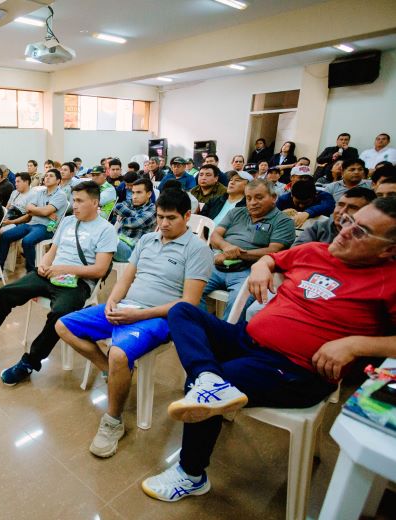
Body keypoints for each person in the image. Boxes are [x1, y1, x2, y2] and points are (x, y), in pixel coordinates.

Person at [142, 197, 396, 503]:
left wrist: (355, 344)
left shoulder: (389, 281)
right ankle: (207, 377)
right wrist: (262, 266)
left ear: (388, 250)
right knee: (183, 311)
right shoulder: (316, 251)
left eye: (361, 231)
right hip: (247, 340)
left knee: (206, 388)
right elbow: (274, 259)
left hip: (294, 369)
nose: (344, 230)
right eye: (350, 220)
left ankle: (191, 475)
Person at [56, 189, 212, 458]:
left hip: (159, 317)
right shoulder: (148, 240)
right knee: (63, 325)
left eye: (171, 218)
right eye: (160, 217)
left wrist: (139, 315)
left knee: (118, 353)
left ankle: (113, 421)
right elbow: (126, 279)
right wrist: (112, 301)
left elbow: (188, 303)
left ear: (187, 216)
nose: (164, 224)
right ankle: (112, 371)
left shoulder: (197, 250)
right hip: (126, 308)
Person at [0, 182, 118, 387]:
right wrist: (44, 265)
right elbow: (52, 251)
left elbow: (100, 270)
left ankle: (30, 362)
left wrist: (64, 269)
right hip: (51, 274)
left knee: (60, 314)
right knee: (5, 293)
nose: (74, 205)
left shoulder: (106, 230)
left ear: (95, 202)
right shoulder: (68, 222)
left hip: (78, 283)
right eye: (73, 200)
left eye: (80, 201)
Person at [200, 179, 295, 319]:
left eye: (259, 197)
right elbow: (215, 235)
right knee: (190, 288)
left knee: (237, 303)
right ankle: (200, 327)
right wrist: (227, 247)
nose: (252, 203)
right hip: (219, 266)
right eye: (248, 198)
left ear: (274, 198)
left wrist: (233, 254)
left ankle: (224, 332)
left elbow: (274, 252)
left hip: (250, 271)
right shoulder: (236, 213)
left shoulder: (283, 221)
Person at [0, 168, 68, 279]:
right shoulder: (40, 192)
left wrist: (38, 210)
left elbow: (42, 210)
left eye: (51, 176)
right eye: (46, 176)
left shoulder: (60, 195)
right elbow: (28, 208)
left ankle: (31, 273)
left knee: (27, 241)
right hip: (31, 223)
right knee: (5, 236)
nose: (47, 178)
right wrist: (45, 212)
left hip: (47, 227)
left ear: (58, 180)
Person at [295, 187, 375, 245]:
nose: (342, 211)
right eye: (340, 205)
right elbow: (296, 251)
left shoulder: (371, 238)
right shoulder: (319, 227)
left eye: (352, 208)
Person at [111, 178, 157, 261]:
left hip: (132, 250)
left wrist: (123, 219)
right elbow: (117, 207)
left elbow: (135, 223)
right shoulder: (131, 203)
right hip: (119, 240)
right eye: (133, 192)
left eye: (139, 192)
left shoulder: (153, 209)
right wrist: (136, 215)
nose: (134, 196)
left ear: (149, 194)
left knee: (103, 238)